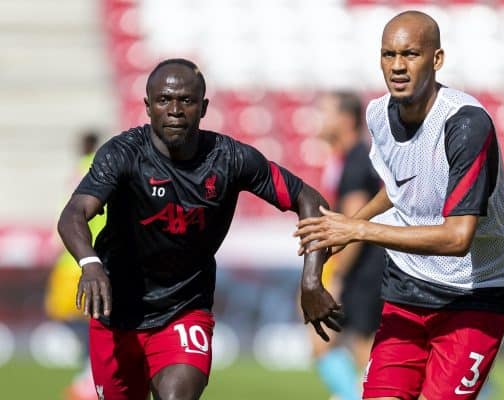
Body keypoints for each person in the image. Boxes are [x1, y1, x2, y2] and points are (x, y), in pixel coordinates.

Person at [57, 58, 341, 400]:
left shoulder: (231, 159)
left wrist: (312, 279)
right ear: (147, 106)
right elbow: (73, 214)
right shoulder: (122, 154)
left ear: (203, 107)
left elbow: (309, 200)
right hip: (116, 314)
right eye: (164, 100)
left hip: (184, 311)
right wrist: (90, 264)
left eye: (186, 101)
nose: (175, 110)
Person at [295, 10, 504, 400]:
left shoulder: (466, 124)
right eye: (388, 54)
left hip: (475, 292)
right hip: (407, 287)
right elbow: (398, 188)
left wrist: (359, 230)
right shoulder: (378, 114)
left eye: (411, 54)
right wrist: (345, 230)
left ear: (437, 60)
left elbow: (457, 237)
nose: (397, 66)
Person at [309, 92, 385, 400]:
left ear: (345, 118)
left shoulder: (356, 160)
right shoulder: (345, 159)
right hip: (360, 269)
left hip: (365, 271)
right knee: (323, 343)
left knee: (365, 351)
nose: (318, 119)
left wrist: (337, 276)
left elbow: (353, 223)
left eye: (324, 111)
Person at [45, 130, 106, 400]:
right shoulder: (106, 166)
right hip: (95, 257)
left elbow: (69, 216)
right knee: (88, 319)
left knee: (82, 318)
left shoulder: (87, 170)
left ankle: (90, 376)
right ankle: (90, 373)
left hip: (78, 260)